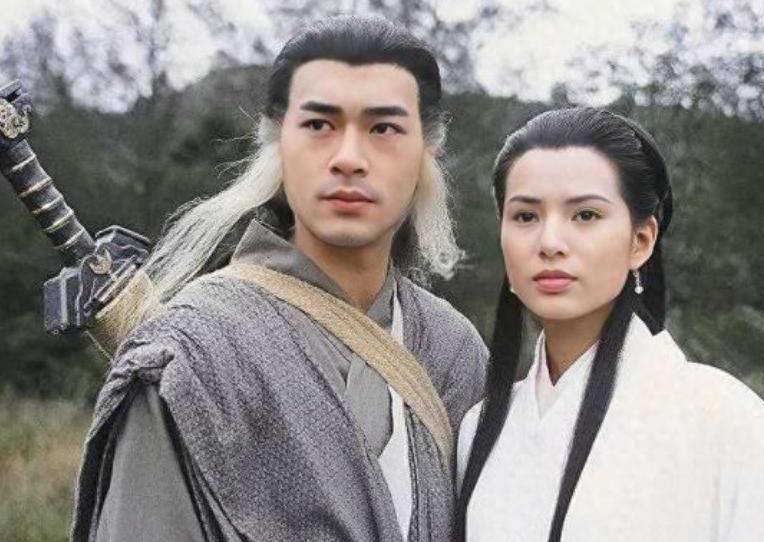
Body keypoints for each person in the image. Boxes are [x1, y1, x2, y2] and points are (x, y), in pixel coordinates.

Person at [72, 15, 488, 542]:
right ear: (276, 141)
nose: (349, 159)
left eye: (384, 128)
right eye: (319, 125)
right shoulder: (193, 355)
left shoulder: (453, 352)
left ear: (427, 149)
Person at [455, 108, 764, 541]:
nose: (550, 242)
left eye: (585, 215)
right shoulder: (481, 429)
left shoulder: (722, 418)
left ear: (641, 241)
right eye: (526, 216)